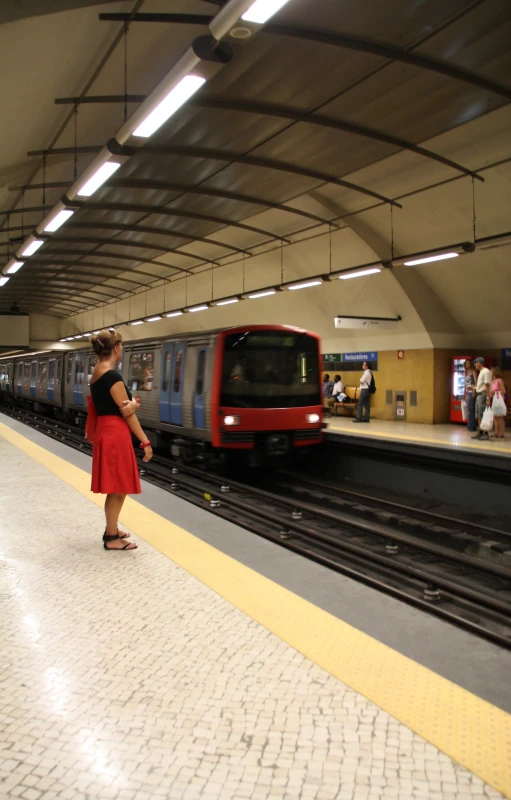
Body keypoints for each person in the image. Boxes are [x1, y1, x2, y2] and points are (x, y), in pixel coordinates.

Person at [89, 329, 153, 551]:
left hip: (107, 430)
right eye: (121, 346)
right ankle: (112, 537)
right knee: (118, 487)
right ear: (116, 348)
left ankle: (112, 529)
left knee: (116, 486)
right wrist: (145, 441)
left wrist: (133, 403)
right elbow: (128, 413)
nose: (122, 349)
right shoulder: (112, 376)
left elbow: (125, 404)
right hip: (115, 433)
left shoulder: (98, 372)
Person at [472, 357, 492, 440]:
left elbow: (487, 386)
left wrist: (488, 398)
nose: (475, 365)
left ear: (480, 363)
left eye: (475, 363)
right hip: (478, 394)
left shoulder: (486, 372)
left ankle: (485, 433)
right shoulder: (480, 372)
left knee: (483, 414)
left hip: (483, 395)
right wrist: (475, 388)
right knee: (478, 414)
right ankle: (480, 431)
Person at [491, 366, 507, 439]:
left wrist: (496, 392)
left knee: (500, 417)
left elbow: (503, 391)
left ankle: (502, 433)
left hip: (500, 400)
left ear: (494, 373)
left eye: (491, 371)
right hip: (494, 400)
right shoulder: (492, 382)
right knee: (495, 417)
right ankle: (496, 432)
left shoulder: (499, 380)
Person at [464, 359, 477, 432]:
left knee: (471, 409)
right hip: (467, 391)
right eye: (466, 363)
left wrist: (474, 391)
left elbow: (475, 382)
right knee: (469, 409)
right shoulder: (466, 373)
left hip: (471, 391)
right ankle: (470, 423)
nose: (467, 365)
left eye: (468, 363)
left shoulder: (473, 372)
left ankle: (472, 425)